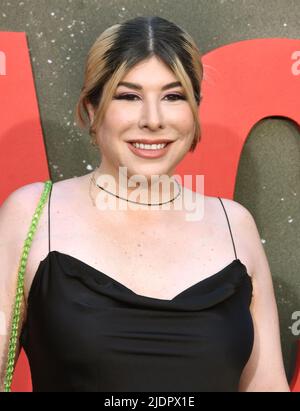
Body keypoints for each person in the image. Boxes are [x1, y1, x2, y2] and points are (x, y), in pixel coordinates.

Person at [0, 15, 290, 392]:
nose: (153, 120)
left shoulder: (235, 225)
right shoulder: (32, 215)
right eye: (128, 96)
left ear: (195, 108)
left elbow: (266, 386)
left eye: (173, 96)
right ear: (91, 108)